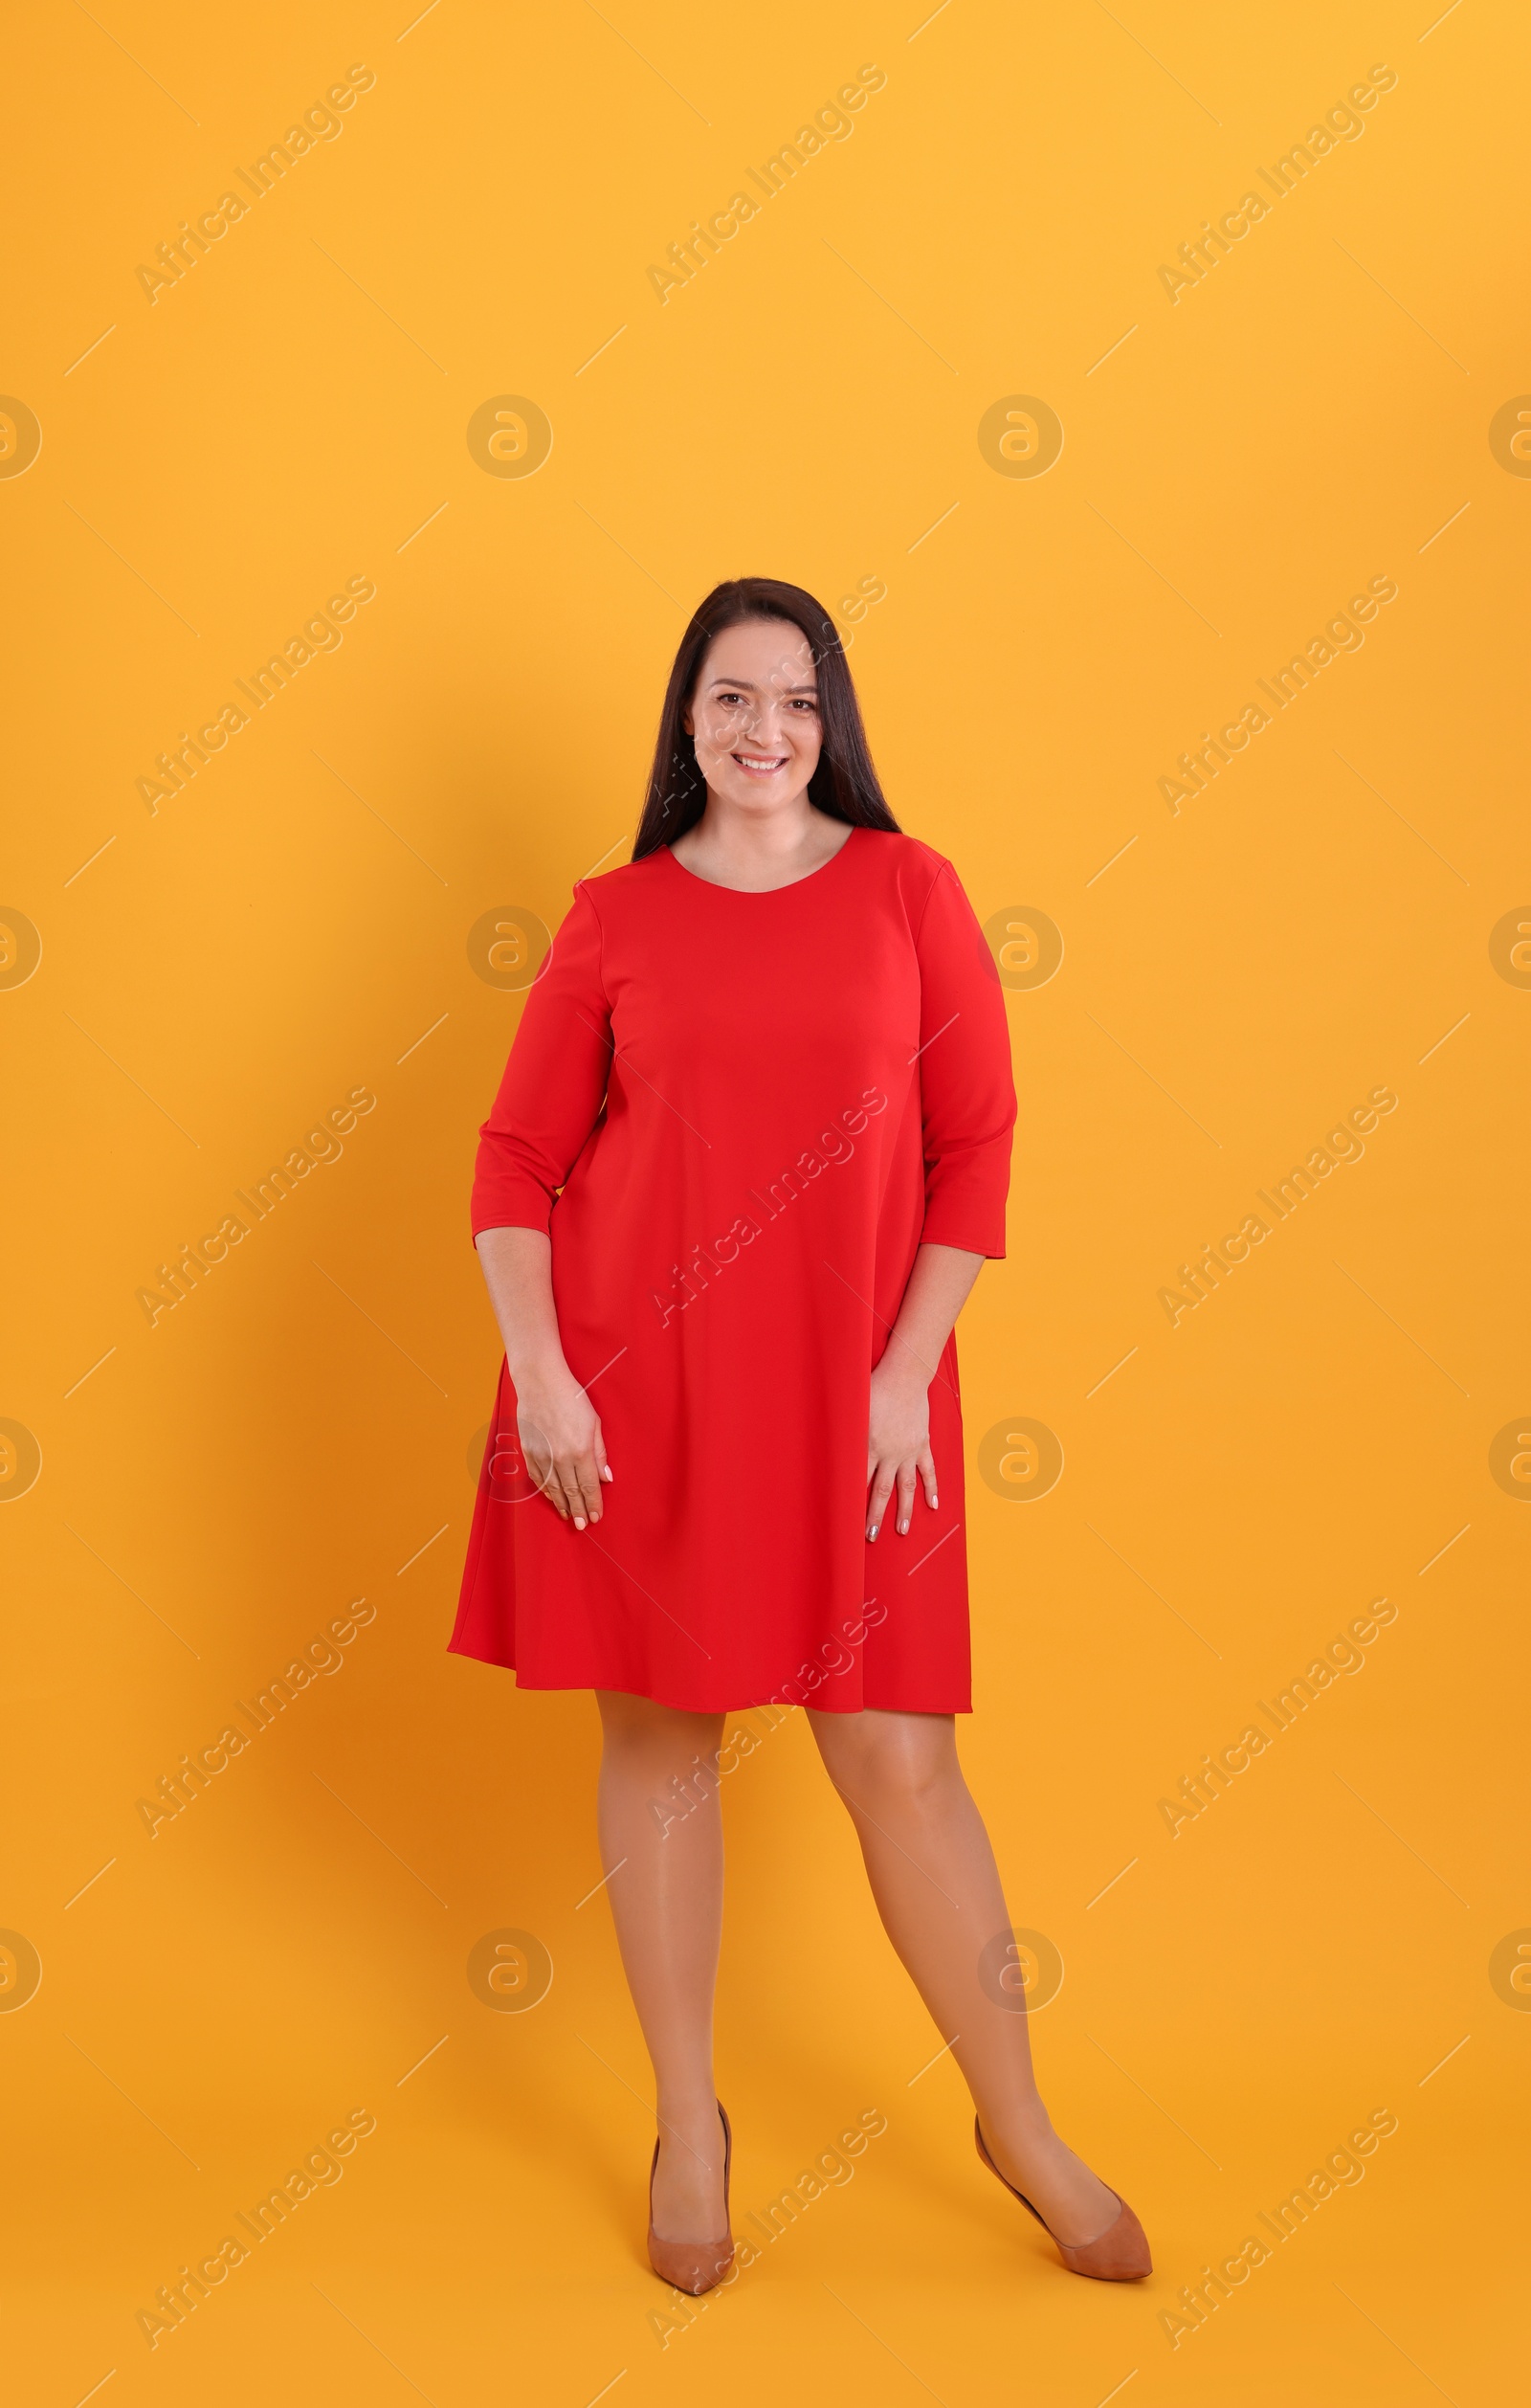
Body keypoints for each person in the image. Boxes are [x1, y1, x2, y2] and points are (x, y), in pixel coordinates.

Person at [450, 577, 1150, 2291]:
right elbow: (515, 1164)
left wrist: (907, 1367)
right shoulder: (613, 913)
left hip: (858, 1396)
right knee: (664, 1743)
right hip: (636, 1391)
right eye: (728, 701)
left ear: (833, 722)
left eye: (795, 702)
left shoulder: (911, 890)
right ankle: (690, 2121)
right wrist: (542, 1374)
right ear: (685, 722)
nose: (762, 733)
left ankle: (1019, 2120)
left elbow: (974, 1147)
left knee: (899, 1760)